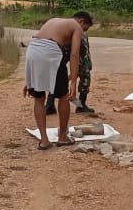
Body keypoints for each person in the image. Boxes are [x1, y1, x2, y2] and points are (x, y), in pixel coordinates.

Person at [24, 11, 93, 149]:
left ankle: (44, 140)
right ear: (81, 22)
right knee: (63, 95)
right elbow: (74, 55)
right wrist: (73, 82)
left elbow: (40, 43)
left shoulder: (54, 20)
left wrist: (29, 80)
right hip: (50, 52)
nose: (83, 32)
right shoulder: (76, 27)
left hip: (32, 50)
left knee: (39, 98)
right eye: (85, 29)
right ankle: (62, 137)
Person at [45, 31, 94, 115]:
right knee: (83, 79)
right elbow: (80, 52)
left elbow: (85, 51)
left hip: (78, 58)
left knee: (59, 79)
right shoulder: (77, 33)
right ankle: (51, 105)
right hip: (77, 58)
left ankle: (79, 106)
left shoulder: (77, 32)